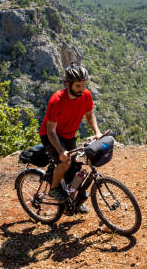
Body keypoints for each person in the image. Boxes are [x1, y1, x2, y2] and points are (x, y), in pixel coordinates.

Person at [39, 61, 111, 206]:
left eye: (84, 85)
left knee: (76, 166)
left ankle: (73, 200)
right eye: (78, 86)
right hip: (51, 135)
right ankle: (53, 188)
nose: (82, 89)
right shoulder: (57, 100)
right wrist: (61, 151)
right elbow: (50, 130)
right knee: (65, 161)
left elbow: (90, 115)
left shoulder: (86, 96)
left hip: (70, 134)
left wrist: (97, 132)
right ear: (67, 84)